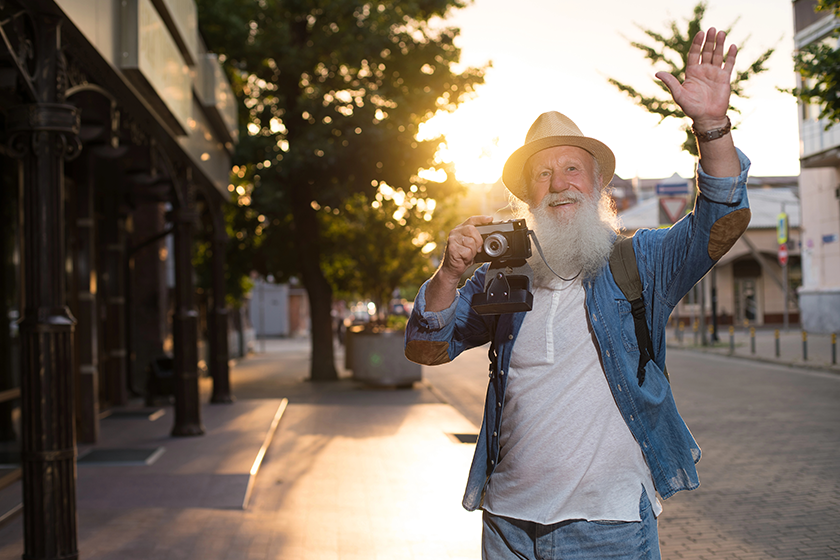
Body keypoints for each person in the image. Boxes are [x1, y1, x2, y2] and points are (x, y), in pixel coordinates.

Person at [404, 28, 752, 559]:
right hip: (508, 522)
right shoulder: (504, 277)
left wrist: (710, 127)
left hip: (607, 524)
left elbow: (720, 220)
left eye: (572, 168)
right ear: (527, 195)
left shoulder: (641, 261)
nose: (559, 182)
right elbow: (428, 347)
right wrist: (448, 274)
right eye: (543, 173)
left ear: (598, 185)